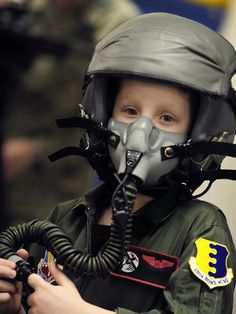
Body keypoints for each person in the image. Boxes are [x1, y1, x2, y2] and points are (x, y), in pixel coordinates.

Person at [0, 12, 236, 314]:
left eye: (166, 118)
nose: (140, 133)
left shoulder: (200, 229)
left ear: (197, 136)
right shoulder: (65, 217)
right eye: (129, 110)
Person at [2, 0, 140, 224]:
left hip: (50, 184)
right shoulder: (23, 6)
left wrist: (36, 150)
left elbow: (114, 122)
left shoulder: (118, 25)